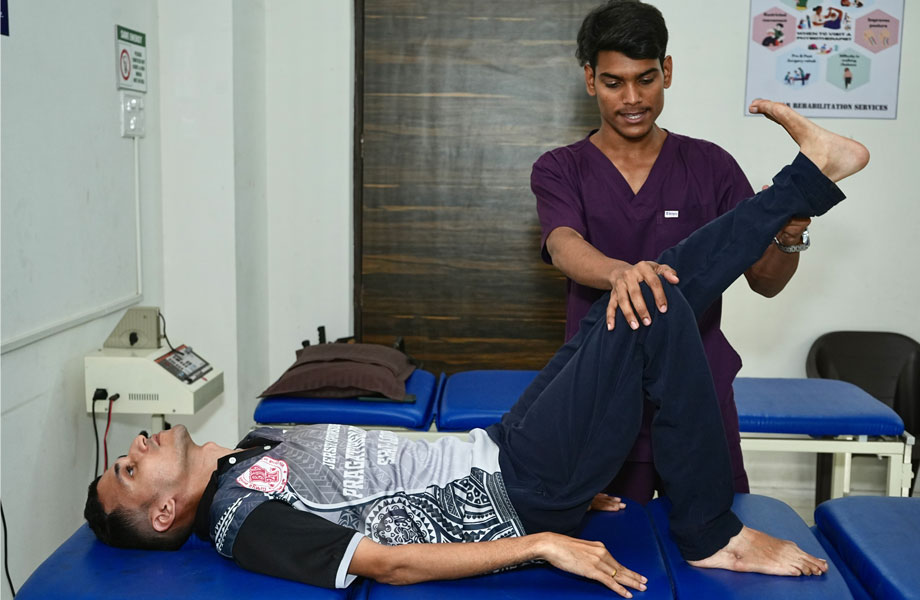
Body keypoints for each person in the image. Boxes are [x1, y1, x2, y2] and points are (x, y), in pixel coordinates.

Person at [85, 100, 869, 597]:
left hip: (504, 453)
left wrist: (574, 476)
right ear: (165, 510)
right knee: (655, 306)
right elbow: (384, 561)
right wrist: (543, 540)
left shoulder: (243, 457)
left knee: (636, 293)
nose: (136, 446)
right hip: (515, 493)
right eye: (128, 469)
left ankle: (810, 179)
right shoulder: (238, 517)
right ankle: (710, 535)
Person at [533, 0, 811, 502]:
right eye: (614, 82)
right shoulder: (560, 168)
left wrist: (788, 238)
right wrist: (621, 274)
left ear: (667, 72)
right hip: (603, 395)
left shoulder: (711, 166)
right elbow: (562, 243)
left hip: (698, 392)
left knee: (718, 531)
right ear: (591, 79)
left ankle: (823, 169)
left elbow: (766, 281)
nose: (632, 98)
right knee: (609, 537)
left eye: (645, 79)